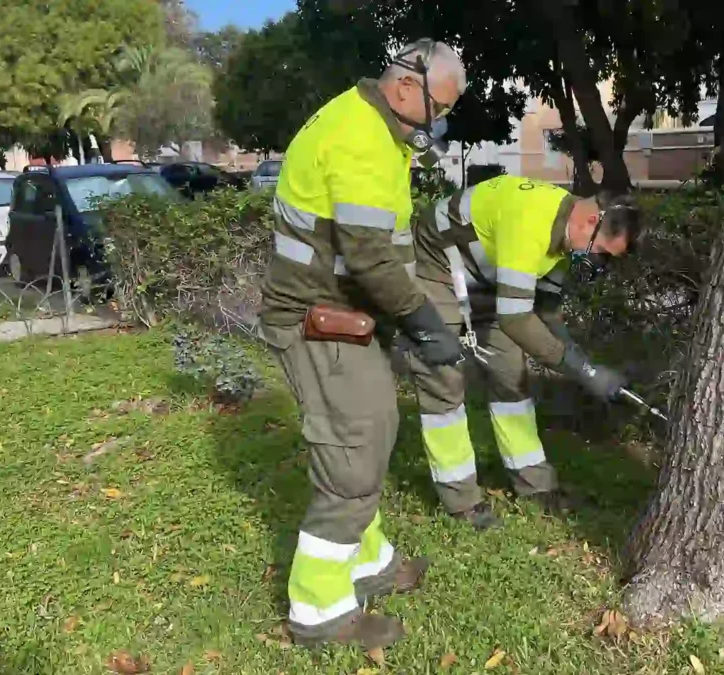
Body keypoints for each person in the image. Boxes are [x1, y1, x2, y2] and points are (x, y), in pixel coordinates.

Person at [257, 39, 467, 650]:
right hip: (317, 322)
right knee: (351, 460)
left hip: (347, 316)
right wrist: (425, 323)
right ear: (407, 87)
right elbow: (371, 257)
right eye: (438, 108)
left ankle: (368, 565)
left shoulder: (366, 123)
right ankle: (321, 612)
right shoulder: (362, 139)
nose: (438, 122)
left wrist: (405, 318)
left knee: (373, 431)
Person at [409, 175, 642, 529]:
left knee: (511, 378)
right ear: (591, 221)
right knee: (443, 379)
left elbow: (546, 312)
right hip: (438, 264)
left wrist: (583, 363)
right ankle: (462, 501)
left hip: (488, 277)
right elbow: (516, 319)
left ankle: (535, 486)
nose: (597, 264)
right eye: (601, 253)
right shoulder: (530, 221)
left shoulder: (567, 239)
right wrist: (581, 371)